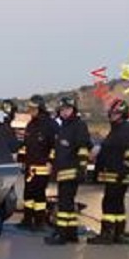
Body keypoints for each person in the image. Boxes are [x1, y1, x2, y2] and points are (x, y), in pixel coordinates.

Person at [88, 99, 129, 245]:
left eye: (115, 113)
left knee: (109, 203)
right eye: (111, 113)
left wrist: (123, 170)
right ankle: (118, 233)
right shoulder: (117, 128)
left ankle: (107, 234)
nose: (112, 116)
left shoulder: (128, 129)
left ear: (122, 114)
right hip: (114, 173)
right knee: (117, 203)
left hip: (119, 174)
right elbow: (111, 148)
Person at [45, 96, 92, 245]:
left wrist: (82, 169)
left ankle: (61, 235)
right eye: (62, 109)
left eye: (68, 109)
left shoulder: (79, 126)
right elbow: (57, 149)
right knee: (68, 203)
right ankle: (71, 233)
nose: (65, 112)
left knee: (64, 205)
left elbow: (83, 149)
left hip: (71, 172)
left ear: (74, 109)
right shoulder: (63, 127)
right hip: (62, 171)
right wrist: (51, 163)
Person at [18, 95, 57, 232]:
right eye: (29, 108)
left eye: (32, 108)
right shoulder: (30, 124)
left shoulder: (50, 125)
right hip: (30, 166)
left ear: (39, 108)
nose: (30, 111)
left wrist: (51, 161)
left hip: (42, 166)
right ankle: (27, 220)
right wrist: (21, 160)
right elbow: (25, 145)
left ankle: (39, 222)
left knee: (39, 195)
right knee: (28, 194)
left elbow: (55, 146)